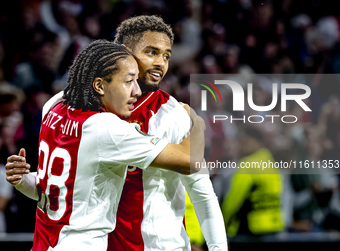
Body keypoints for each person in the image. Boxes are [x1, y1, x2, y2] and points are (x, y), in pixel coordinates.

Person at [7, 15, 228, 250]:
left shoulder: (171, 115)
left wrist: (218, 248)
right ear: (125, 52)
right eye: (151, 52)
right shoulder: (101, 121)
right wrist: (198, 124)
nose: (160, 64)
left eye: (166, 56)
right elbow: (56, 190)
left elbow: (202, 194)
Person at [222, 126, 284, 236]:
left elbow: (233, 201)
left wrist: (222, 224)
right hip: (274, 224)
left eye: (243, 142)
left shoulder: (247, 164)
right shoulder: (270, 161)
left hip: (251, 228)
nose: (241, 146)